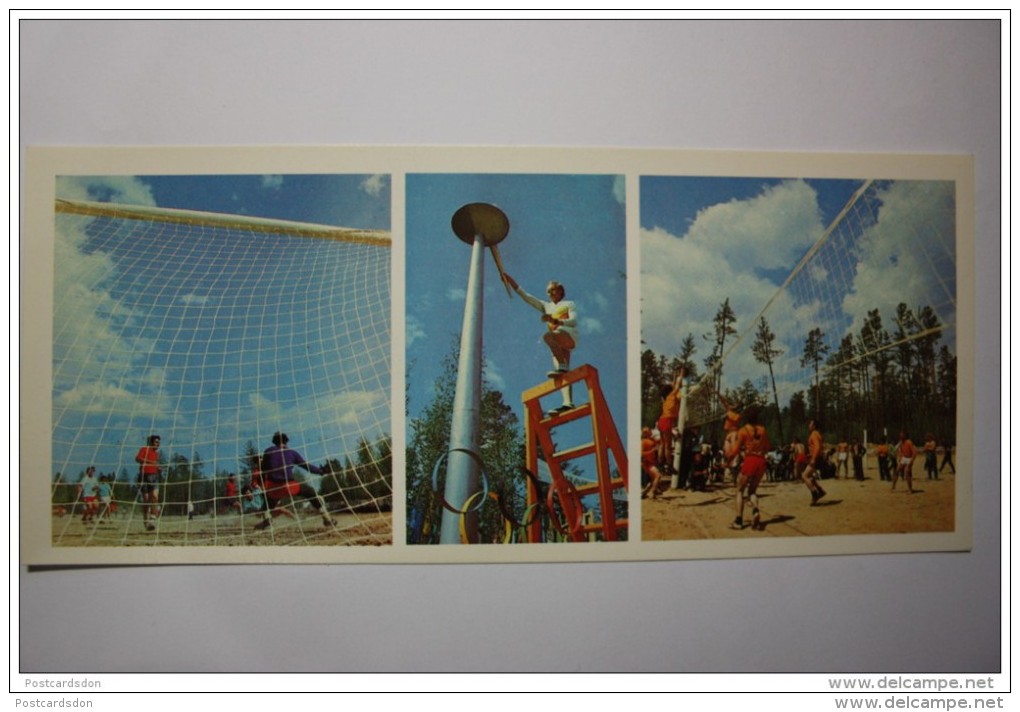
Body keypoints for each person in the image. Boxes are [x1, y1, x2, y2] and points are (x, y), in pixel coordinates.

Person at [502, 274, 578, 414]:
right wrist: (511, 281)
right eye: (548, 291)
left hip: (567, 335)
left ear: (561, 291)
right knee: (562, 374)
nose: (550, 293)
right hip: (558, 344)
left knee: (548, 337)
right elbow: (527, 297)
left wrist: (557, 321)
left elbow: (573, 321)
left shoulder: (568, 304)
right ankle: (568, 403)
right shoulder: (546, 306)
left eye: (553, 290)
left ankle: (561, 365)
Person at [257, 432, 336, 530]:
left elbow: (263, 470)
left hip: (273, 487)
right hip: (289, 486)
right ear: (286, 441)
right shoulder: (292, 452)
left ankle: (267, 521)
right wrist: (321, 471)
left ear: (274, 442)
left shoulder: (268, 451)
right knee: (310, 492)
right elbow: (306, 466)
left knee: (268, 501)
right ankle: (327, 519)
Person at [730, 405, 770, 531]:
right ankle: (755, 510)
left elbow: (735, 450)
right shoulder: (763, 430)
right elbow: (768, 446)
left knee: (739, 490)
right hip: (761, 461)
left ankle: (739, 520)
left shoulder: (743, 431)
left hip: (750, 460)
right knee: (752, 491)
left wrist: (728, 459)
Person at [656, 368, 685, 472]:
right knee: (668, 446)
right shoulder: (673, 395)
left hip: (661, 421)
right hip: (667, 421)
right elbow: (676, 384)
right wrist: (681, 374)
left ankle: (660, 463)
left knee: (662, 444)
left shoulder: (665, 398)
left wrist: (674, 375)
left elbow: (673, 385)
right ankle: (669, 465)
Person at [135, 435, 162, 531]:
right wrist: (150, 462)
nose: (158, 444)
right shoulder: (144, 449)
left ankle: (153, 516)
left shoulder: (156, 453)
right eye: (156, 442)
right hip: (143, 477)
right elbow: (137, 458)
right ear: (151, 442)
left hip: (154, 476)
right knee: (146, 500)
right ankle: (146, 522)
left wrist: (158, 468)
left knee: (154, 497)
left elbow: (154, 465)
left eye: (159, 442)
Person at [801, 420, 827, 506]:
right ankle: (820, 490)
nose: (808, 425)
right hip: (816, 457)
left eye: (810, 424)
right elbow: (819, 446)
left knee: (804, 476)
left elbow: (818, 447)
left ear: (814, 426)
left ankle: (814, 494)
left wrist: (813, 458)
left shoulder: (814, 434)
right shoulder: (817, 434)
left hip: (815, 458)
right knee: (810, 477)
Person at [640, 427, 664, 499]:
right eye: (648, 431)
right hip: (646, 462)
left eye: (650, 430)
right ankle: (653, 493)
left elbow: (660, 442)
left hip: (652, 462)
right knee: (658, 475)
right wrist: (652, 451)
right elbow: (641, 454)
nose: (650, 431)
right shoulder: (643, 441)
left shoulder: (652, 439)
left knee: (653, 479)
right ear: (645, 433)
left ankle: (644, 493)